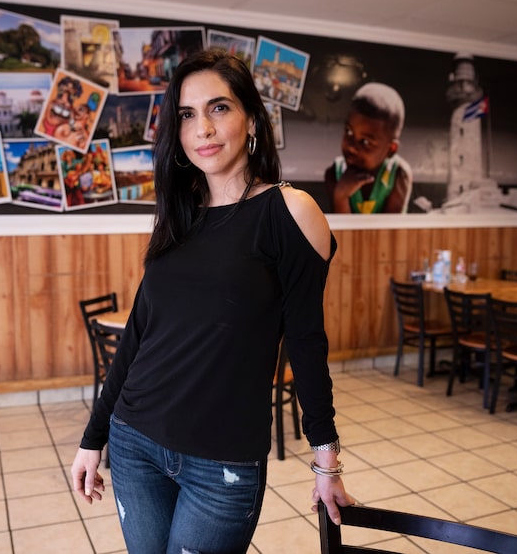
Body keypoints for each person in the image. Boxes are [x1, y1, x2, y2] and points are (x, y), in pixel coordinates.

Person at [71, 48, 353, 553]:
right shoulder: (178, 214)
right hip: (135, 441)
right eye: (187, 114)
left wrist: (326, 461)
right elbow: (139, 332)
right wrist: (93, 437)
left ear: (251, 120)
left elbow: (308, 344)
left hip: (221, 463)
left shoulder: (290, 211)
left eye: (219, 108)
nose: (202, 127)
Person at [321, 82, 412, 213]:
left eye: (365, 142)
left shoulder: (398, 175)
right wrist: (340, 197)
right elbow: (341, 233)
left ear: (391, 149)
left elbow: (390, 232)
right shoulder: (334, 174)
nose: (352, 148)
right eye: (349, 132)